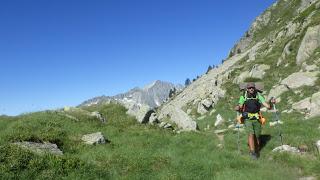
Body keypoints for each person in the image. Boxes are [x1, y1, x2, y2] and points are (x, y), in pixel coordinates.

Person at [235, 82, 275, 159]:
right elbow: (240, 106)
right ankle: (252, 152)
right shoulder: (243, 96)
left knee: (257, 136)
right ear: (247, 89)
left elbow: (268, 106)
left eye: (252, 87)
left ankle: (256, 150)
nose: (251, 89)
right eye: (250, 88)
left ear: (255, 88)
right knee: (251, 134)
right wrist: (237, 108)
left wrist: (271, 103)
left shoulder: (258, 96)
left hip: (257, 119)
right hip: (247, 118)